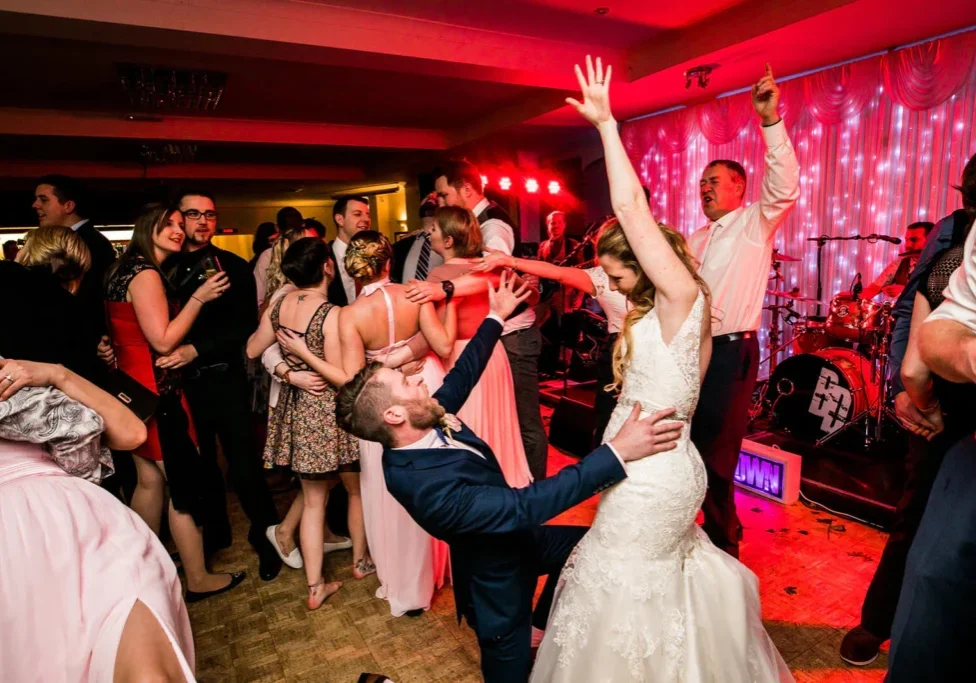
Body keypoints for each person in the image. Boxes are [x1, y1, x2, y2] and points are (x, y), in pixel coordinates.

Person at [529, 56, 793, 683]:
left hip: (662, 462)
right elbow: (604, 272)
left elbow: (632, 209)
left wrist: (607, 125)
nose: (613, 279)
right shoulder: (679, 270)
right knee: (633, 572)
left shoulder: (685, 293)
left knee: (623, 566)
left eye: (623, 267)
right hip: (641, 456)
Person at [335, 272, 685, 683]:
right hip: (495, 585)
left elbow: (462, 376)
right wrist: (617, 453)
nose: (416, 379)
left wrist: (495, 318)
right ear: (393, 416)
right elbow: (524, 505)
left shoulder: (423, 419)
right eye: (405, 384)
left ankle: (540, 627)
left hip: (521, 541)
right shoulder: (421, 485)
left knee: (592, 546)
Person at [839, 155, 976, 665]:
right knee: (915, 513)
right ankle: (878, 620)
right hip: (944, 401)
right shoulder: (951, 235)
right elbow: (908, 307)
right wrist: (902, 383)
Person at [0, 357, 199, 682]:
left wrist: (58, 374)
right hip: (14, 559)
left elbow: (133, 432)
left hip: (85, 526)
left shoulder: (13, 372)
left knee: (149, 673)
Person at [685, 62, 799, 558]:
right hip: (692, 351)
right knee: (687, 445)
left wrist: (769, 121)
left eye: (715, 181)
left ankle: (724, 547)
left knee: (717, 454)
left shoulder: (755, 222)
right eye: (703, 182)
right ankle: (695, 536)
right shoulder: (696, 238)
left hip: (732, 353)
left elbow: (785, 184)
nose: (705, 188)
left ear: (739, 189)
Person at [104, 202, 246, 603]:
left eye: (179, 224)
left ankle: (140, 566)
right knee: (186, 486)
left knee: (149, 482)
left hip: (132, 393)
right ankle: (198, 578)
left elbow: (122, 331)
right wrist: (199, 298)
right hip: (158, 391)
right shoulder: (146, 273)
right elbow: (163, 340)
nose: (179, 230)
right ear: (147, 226)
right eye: (169, 224)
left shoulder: (121, 268)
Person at [334, 230, 453, 617]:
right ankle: (442, 564)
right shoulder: (414, 293)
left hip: (382, 403)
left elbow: (357, 381)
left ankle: (405, 582)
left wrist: (386, 363)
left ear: (355, 270)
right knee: (436, 476)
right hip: (424, 385)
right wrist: (405, 356)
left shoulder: (350, 316)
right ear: (388, 262)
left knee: (391, 489)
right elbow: (436, 342)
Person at [168, 189, 283, 581]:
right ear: (178, 219)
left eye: (210, 215)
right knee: (199, 466)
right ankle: (214, 536)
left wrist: (195, 349)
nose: (203, 221)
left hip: (224, 376)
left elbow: (244, 328)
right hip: (180, 385)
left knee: (244, 461)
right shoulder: (162, 266)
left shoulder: (233, 266)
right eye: (194, 214)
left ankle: (266, 536)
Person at [246, 238, 362, 609]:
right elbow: (343, 377)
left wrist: (285, 366)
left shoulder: (278, 304)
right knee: (352, 486)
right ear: (328, 266)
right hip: (328, 412)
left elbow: (251, 349)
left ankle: (315, 587)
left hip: (297, 409)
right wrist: (303, 355)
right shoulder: (331, 314)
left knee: (314, 502)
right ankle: (362, 561)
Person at [886, 210, 976, 681]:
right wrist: (906, 390)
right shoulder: (950, 258)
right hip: (945, 412)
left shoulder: (953, 254)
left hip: (949, 413)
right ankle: (875, 621)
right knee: (919, 530)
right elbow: (917, 319)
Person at [430, 161, 549, 481]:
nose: (441, 202)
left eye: (444, 195)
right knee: (501, 419)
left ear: (465, 190)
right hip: (496, 334)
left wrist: (442, 289)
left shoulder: (493, 226)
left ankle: (533, 495)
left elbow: (493, 277)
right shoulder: (475, 227)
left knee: (524, 423)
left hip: (513, 335)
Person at [473, 247, 629, 447]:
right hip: (616, 352)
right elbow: (557, 272)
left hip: (649, 353)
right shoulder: (600, 276)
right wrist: (509, 261)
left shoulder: (659, 276)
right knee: (609, 419)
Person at [32, 175, 116, 337]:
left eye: (44, 200)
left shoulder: (91, 242)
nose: (35, 205)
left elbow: (91, 298)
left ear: (68, 206)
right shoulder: (76, 239)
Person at [858, 221, 935, 300]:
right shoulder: (899, 264)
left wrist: (905, 291)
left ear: (930, 240)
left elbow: (939, 295)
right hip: (902, 312)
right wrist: (847, 296)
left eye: (914, 240)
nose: (907, 245)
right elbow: (872, 290)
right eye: (906, 240)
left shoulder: (942, 263)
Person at [391, 193, 443, 284]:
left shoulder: (452, 244)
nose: (431, 197)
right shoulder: (401, 246)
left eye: (437, 197)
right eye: (427, 197)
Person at [328, 196, 371, 305]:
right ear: (340, 220)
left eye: (368, 214)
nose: (366, 220)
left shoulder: (374, 255)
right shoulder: (323, 257)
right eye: (357, 214)